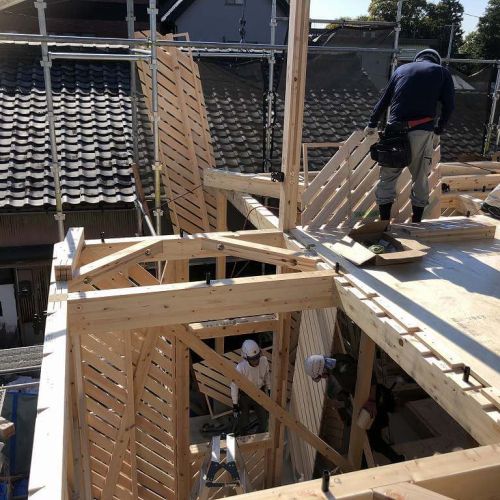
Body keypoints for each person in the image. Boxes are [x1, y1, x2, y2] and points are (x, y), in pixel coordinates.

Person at [365, 48, 455, 223]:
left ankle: (384, 222)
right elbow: (449, 106)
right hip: (421, 132)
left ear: (417, 59)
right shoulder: (442, 72)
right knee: (420, 177)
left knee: (388, 177)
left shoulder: (401, 70)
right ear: (436, 60)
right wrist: (438, 130)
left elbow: (384, 100)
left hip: (393, 132)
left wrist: (372, 123)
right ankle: (416, 223)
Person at [304, 354, 404, 464]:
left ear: (322, 369)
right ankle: (395, 459)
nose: (323, 377)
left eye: (321, 375)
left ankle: (372, 465)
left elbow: (370, 377)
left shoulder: (343, 371)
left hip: (375, 401)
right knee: (372, 439)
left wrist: (371, 401)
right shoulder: (336, 360)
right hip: (367, 402)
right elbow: (353, 382)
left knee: (370, 439)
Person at [230, 339, 270, 435]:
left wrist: (269, 389)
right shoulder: (241, 368)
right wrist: (235, 404)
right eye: (253, 359)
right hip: (245, 395)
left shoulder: (264, 361)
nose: (256, 361)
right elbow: (234, 386)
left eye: (257, 357)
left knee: (264, 419)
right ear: (246, 358)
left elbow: (267, 376)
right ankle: (243, 436)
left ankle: (260, 435)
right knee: (243, 421)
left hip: (259, 392)